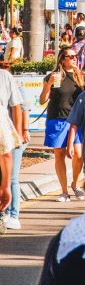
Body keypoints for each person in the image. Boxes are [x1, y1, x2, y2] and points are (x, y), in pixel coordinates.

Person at [39, 47, 85, 202]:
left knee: (79, 154)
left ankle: (75, 184)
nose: (74, 58)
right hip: (58, 118)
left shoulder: (81, 76)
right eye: (70, 56)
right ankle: (64, 191)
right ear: (62, 59)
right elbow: (42, 100)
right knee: (59, 154)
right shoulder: (53, 76)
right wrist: (48, 84)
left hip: (77, 121)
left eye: (75, 56)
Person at [0, 67, 25, 231]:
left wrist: (19, 132)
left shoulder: (4, 76)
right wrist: (6, 186)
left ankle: (10, 215)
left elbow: (18, 106)